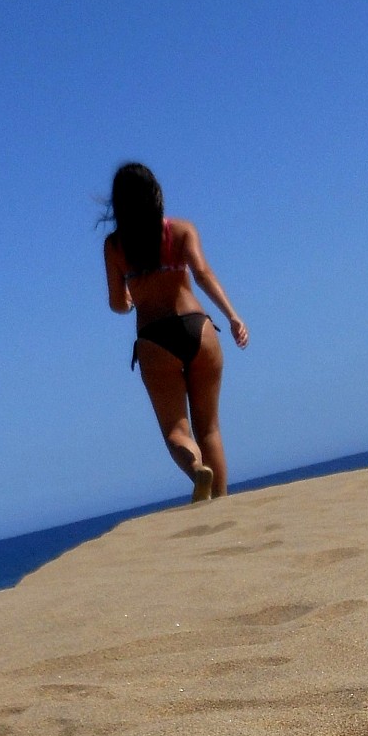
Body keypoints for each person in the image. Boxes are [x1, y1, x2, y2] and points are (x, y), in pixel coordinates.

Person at [102, 161, 249, 501]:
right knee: (209, 428)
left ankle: (196, 469)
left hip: (155, 339)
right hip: (197, 328)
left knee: (176, 430)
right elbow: (203, 274)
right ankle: (223, 505)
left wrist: (129, 296)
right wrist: (232, 316)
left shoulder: (115, 247)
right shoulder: (181, 230)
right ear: (156, 193)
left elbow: (117, 304)